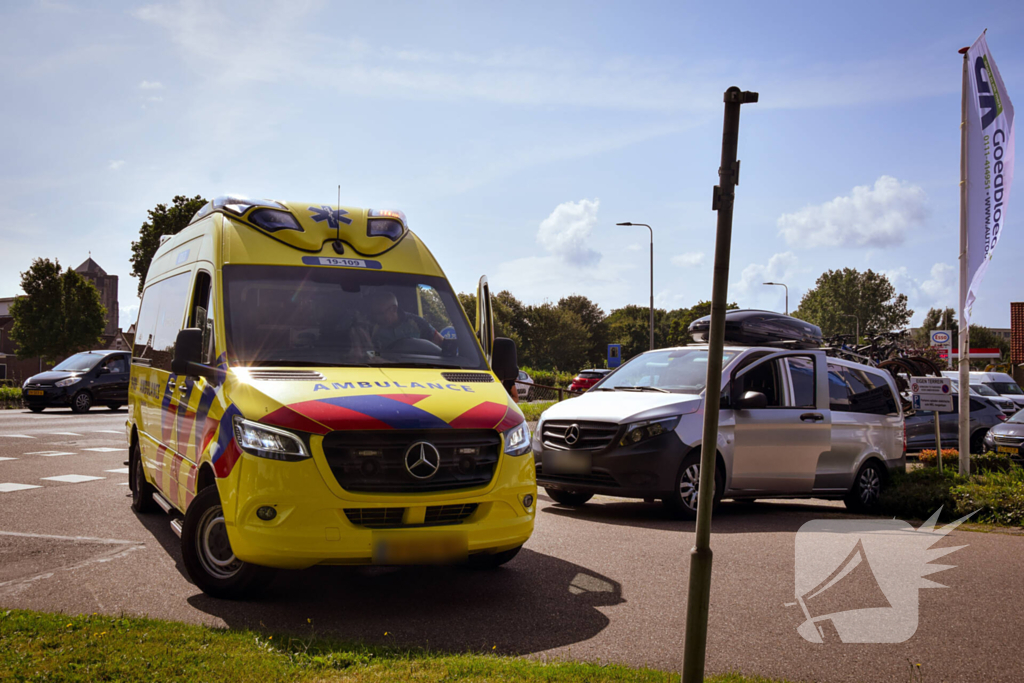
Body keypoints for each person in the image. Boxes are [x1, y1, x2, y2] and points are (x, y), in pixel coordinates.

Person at [366, 289, 444, 350]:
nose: (377, 318)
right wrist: (379, 356)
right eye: (374, 314)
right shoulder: (371, 329)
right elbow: (369, 354)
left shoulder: (417, 322)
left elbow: (441, 343)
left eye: (380, 313)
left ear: (394, 309)